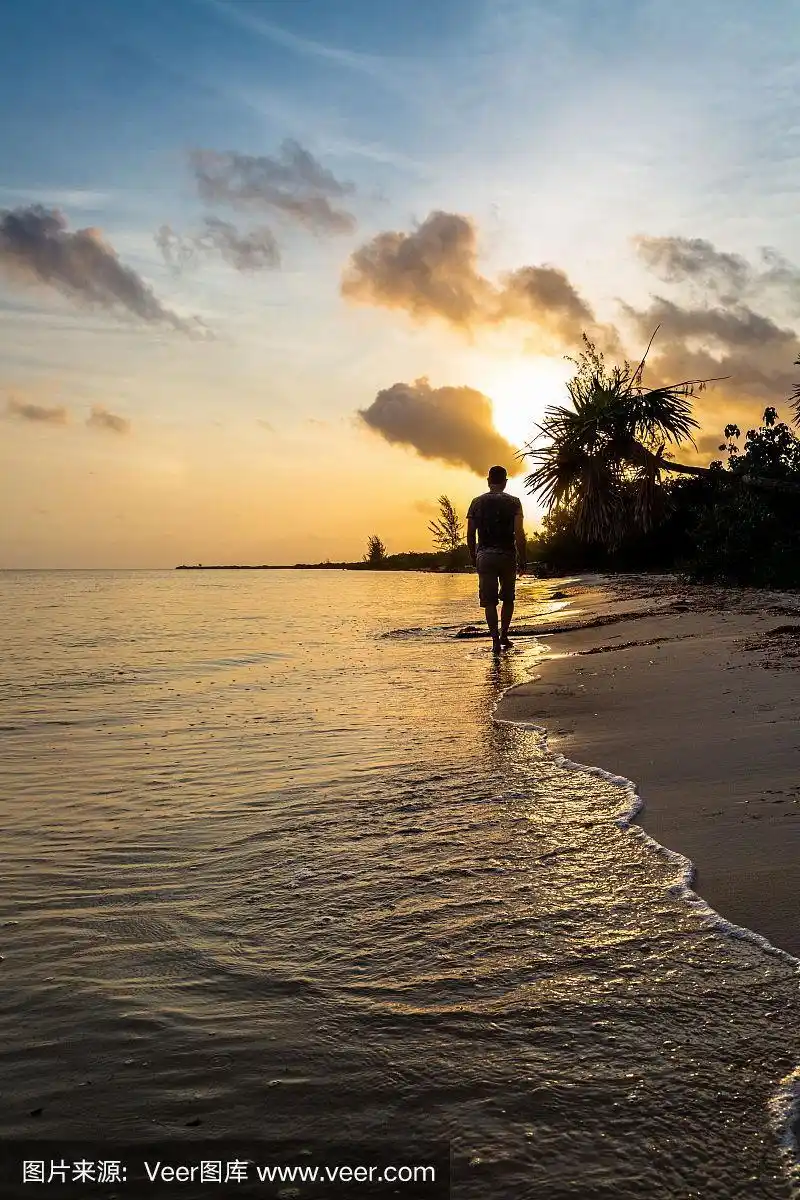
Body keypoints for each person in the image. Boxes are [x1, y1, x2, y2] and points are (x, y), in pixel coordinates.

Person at [466, 465, 526, 654]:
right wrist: (523, 558)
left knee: (489, 601)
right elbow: (519, 534)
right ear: (505, 482)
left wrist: (473, 555)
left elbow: (470, 534)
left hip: (484, 554)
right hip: (507, 555)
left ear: (488, 481)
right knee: (508, 598)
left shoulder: (476, 502)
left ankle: (494, 641)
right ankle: (504, 635)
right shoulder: (514, 502)